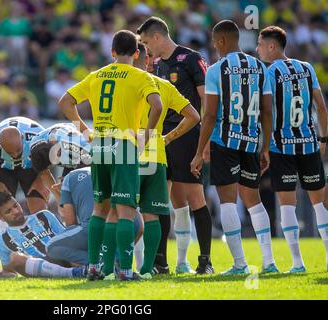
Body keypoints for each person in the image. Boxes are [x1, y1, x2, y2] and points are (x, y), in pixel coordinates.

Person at [58, 30, 163, 281]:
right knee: (125, 211)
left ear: (112, 52)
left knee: (100, 210)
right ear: (137, 53)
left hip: (100, 145)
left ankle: (94, 267)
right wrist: (145, 136)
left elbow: (65, 101)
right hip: (124, 145)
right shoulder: (140, 76)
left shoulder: (96, 75)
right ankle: (126, 270)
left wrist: (85, 130)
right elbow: (157, 106)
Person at [190, 20, 278, 275]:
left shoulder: (216, 70)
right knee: (254, 201)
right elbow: (267, 110)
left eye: (214, 43)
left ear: (220, 41)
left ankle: (240, 264)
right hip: (250, 142)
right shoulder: (261, 68)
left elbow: (209, 115)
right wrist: (265, 147)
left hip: (224, 142)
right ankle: (269, 262)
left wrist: (199, 151)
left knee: (228, 202)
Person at [110, 41, 198, 278]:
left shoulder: (119, 82)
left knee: (120, 214)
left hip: (127, 153)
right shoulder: (163, 85)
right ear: (146, 59)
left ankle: (122, 267)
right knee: (152, 215)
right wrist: (168, 138)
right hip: (155, 155)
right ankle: (149, 269)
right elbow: (193, 116)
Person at [137, 16, 214, 274]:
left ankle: (205, 261)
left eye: (147, 42)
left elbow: (206, 103)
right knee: (164, 200)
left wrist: (205, 143)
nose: (146, 49)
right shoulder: (154, 65)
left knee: (193, 198)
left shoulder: (192, 59)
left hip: (187, 135)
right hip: (160, 139)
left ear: (157, 36)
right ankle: (165, 262)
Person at [256, 26, 328, 272]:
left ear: (271, 46)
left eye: (260, 44)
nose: (258, 49)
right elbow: (322, 108)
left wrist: (264, 147)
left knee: (288, 204)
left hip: (281, 146)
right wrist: (324, 140)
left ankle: (297, 263)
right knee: (320, 203)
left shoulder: (269, 72)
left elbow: (266, 112)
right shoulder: (307, 68)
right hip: (309, 143)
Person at [46, 166, 144, 268]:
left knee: (51, 246)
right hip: (127, 225)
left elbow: (71, 223)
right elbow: (140, 226)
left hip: (94, 226)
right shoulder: (112, 171)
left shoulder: (68, 178)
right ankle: (117, 260)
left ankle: (101, 261)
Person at [0, 192, 86, 279]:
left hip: (61, 256)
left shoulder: (44, 215)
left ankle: (84, 269)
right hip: (38, 267)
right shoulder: (2, 240)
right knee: (15, 258)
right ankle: (73, 273)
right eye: (8, 211)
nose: (16, 211)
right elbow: (10, 271)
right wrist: (0, 273)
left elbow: (66, 237)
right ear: (1, 217)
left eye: (16, 206)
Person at [0, 117, 50, 215]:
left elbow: (52, 157)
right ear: (0, 144)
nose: (15, 155)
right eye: (10, 152)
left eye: (18, 151)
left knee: (39, 206)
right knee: (4, 206)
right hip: (4, 168)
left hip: (32, 166)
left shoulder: (39, 137)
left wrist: (40, 180)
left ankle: (41, 227)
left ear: (22, 138)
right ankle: (4, 228)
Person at [29, 122, 91, 202]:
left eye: (58, 157)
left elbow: (92, 164)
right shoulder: (34, 146)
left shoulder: (75, 142)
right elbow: (44, 173)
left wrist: (74, 178)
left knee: (79, 185)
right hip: (66, 147)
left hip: (87, 152)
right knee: (66, 192)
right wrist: (60, 200)